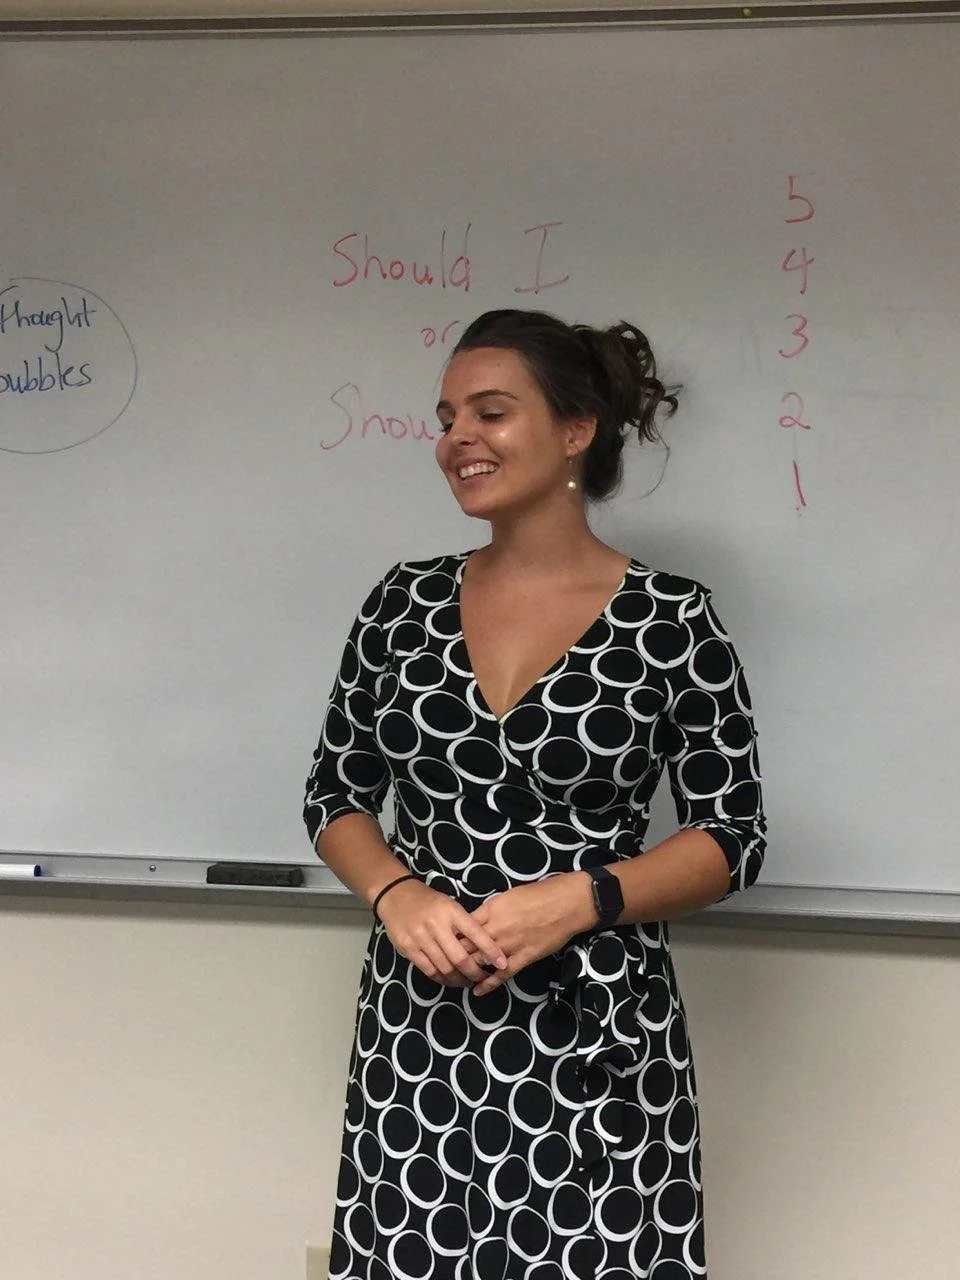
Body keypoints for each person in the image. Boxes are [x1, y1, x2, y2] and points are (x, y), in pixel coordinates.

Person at [304, 308, 766, 1280]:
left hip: (598, 1027)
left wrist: (583, 897)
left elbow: (732, 835)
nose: (457, 439)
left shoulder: (672, 620)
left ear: (575, 429)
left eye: (490, 412)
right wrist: (398, 894)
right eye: (447, 417)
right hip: (422, 1026)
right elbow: (335, 793)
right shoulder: (400, 603)